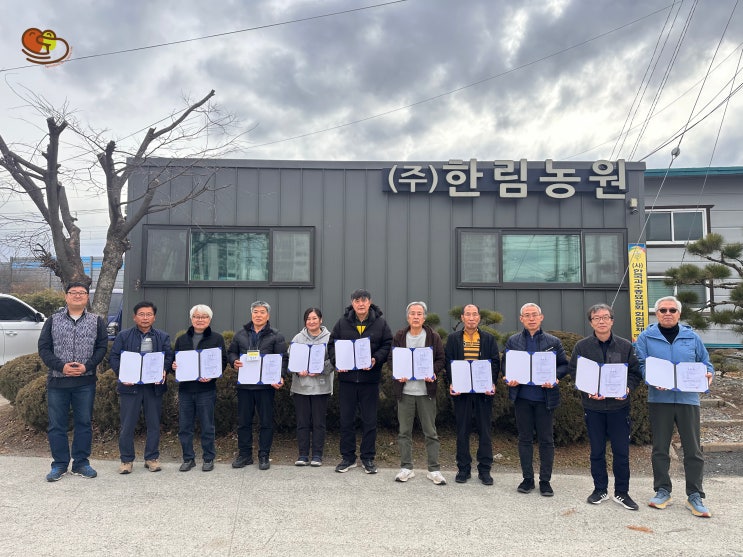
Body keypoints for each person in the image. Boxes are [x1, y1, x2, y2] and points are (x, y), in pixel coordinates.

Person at [635, 296, 714, 518]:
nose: (667, 313)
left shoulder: (692, 337)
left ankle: (695, 495)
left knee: (693, 449)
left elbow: (706, 363)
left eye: (672, 310)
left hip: (688, 399)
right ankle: (662, 490)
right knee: (660, 447)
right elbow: (640, 364)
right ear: (656, 313)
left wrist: (709, 374)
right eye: (663, 310)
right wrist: (651, 378)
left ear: (679, 314)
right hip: (660, 399)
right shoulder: (646, 337)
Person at [567, 304, 643, 510]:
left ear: (612, 320)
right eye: (596, 318)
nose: (601, 321)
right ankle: (600, 489)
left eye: (605, 317)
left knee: (621, 452)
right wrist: (587, 390)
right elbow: (574, 372)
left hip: (619, 408)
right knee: (597, 451)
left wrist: (627, 388)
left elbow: (635, 373)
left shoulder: (625, 346)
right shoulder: (582, 347)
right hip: (593, 408)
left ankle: (622, 492)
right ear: (591, 322)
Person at [38, 281, 108, 481]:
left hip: (85, 382)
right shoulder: (53, 320)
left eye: (82, 292)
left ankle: (81, 463)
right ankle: (59, 464)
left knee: (84, 423)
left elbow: (102, 347)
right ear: (66, 296)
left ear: (87, 297)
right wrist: (61, 367)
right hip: (58, 382)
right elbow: (44, 348)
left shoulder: (96, 321)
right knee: (56, 425)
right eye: (73, 292)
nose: (78, 295)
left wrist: (88, 366)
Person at [503, 302, 568, 496]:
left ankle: (545, 481)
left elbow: (564, 365)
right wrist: (508, 378)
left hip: (545, 398)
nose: (531, 318)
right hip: (522, 397)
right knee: (524, 439)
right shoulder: (513, 341)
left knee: (546, 440)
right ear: (521, 319)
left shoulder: (553, 342)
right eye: (527, 315)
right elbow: (506, 365)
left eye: (534, 315)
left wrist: (555, 377)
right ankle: (528, 479)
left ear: (541, 317)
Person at [328, 289, 393, 474]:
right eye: (357, 301)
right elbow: (331, 344)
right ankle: (348, 458)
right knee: (346, 421)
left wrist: (376, 359)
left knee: (369, 421)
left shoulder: (380, 323)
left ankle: (368, 458)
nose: (361, 304)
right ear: (352, 303)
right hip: (347, 380)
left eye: (364, 300)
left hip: (369, 380)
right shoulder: (342, 322)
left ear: (369, 302)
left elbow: (387, 344)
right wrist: (337, 362)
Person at [110, 301, 174, 474]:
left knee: (153, 424)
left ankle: (151, 458)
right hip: (130, 387)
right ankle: (126, 460)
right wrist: (123, 375)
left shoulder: (162, 336)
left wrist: (164, 370)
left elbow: (168, 356)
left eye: (149, 314)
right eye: (141, 314)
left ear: (154, 317)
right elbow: (114, 357)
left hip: (153, 387)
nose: (145, 318)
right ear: (134, 317)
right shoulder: (124, 336)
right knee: (127, 425)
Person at [389, 301, 447, 485]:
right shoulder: (400, 336)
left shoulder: (433, 336)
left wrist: (433, 372)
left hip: (425, 391)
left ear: (424, 317)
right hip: (405, 392)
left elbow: (441, 359)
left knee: (430, 432)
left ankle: (434, 470)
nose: (415, 316)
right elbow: (391, 359)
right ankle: (406, 467)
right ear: (408, 317)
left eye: (419, 313)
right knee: (404, 432)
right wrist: (398, 373)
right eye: (412, 313)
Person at [444, 304, 500, 486]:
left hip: (483, 392)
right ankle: (463, 469)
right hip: (462, 392)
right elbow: (448, 363)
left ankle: (485, 470)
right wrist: (452, 382)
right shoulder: (453, 339)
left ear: (479, 317)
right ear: (462, 318)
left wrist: (492, 383)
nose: (471, 317)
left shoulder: (488, 339)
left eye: (474, 314)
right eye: (467, 314)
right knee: (462, 431)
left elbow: (495, 362)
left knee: (485, 431)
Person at [228, 301, 287, 471]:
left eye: (262, 312)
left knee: (266, 422)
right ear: (251, 314)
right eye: (255, 312)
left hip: (266, 387)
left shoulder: (276, 335)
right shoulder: (240, 334)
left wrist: (281, 376)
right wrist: (234, 361)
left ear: (268, 315)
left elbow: (283, 358)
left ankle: (264, 455)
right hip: (245, 386)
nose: (258, 315)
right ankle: (245, 455)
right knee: (243, 422)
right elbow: (231, 352)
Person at [171, 305, 227, 472]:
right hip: (186, 390)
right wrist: (173, 367)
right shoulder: (182, 340)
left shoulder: (217, 339)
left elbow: (222, 361)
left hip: (206, 389)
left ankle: (208, 458)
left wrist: (213, 375)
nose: (200, 320)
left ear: (209, 319)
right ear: (191, 319)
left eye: (204, 317)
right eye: (196, 316)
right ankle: (188, 459)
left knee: (207, 426)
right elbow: (174, 361)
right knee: (185, 427)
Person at [288, 307, 334, 467]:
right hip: (301, 387)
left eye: (314, 318)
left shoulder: (330, 338)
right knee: (302, 422)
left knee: (319, 423)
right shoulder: (298, 338)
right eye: (308, 319)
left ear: (321, 320)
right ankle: (302, 455)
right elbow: (290, 359)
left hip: (321, 387)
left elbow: (334, 360)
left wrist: (321, 369)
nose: (311, 321)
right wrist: (297, 369)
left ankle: (317, 455)